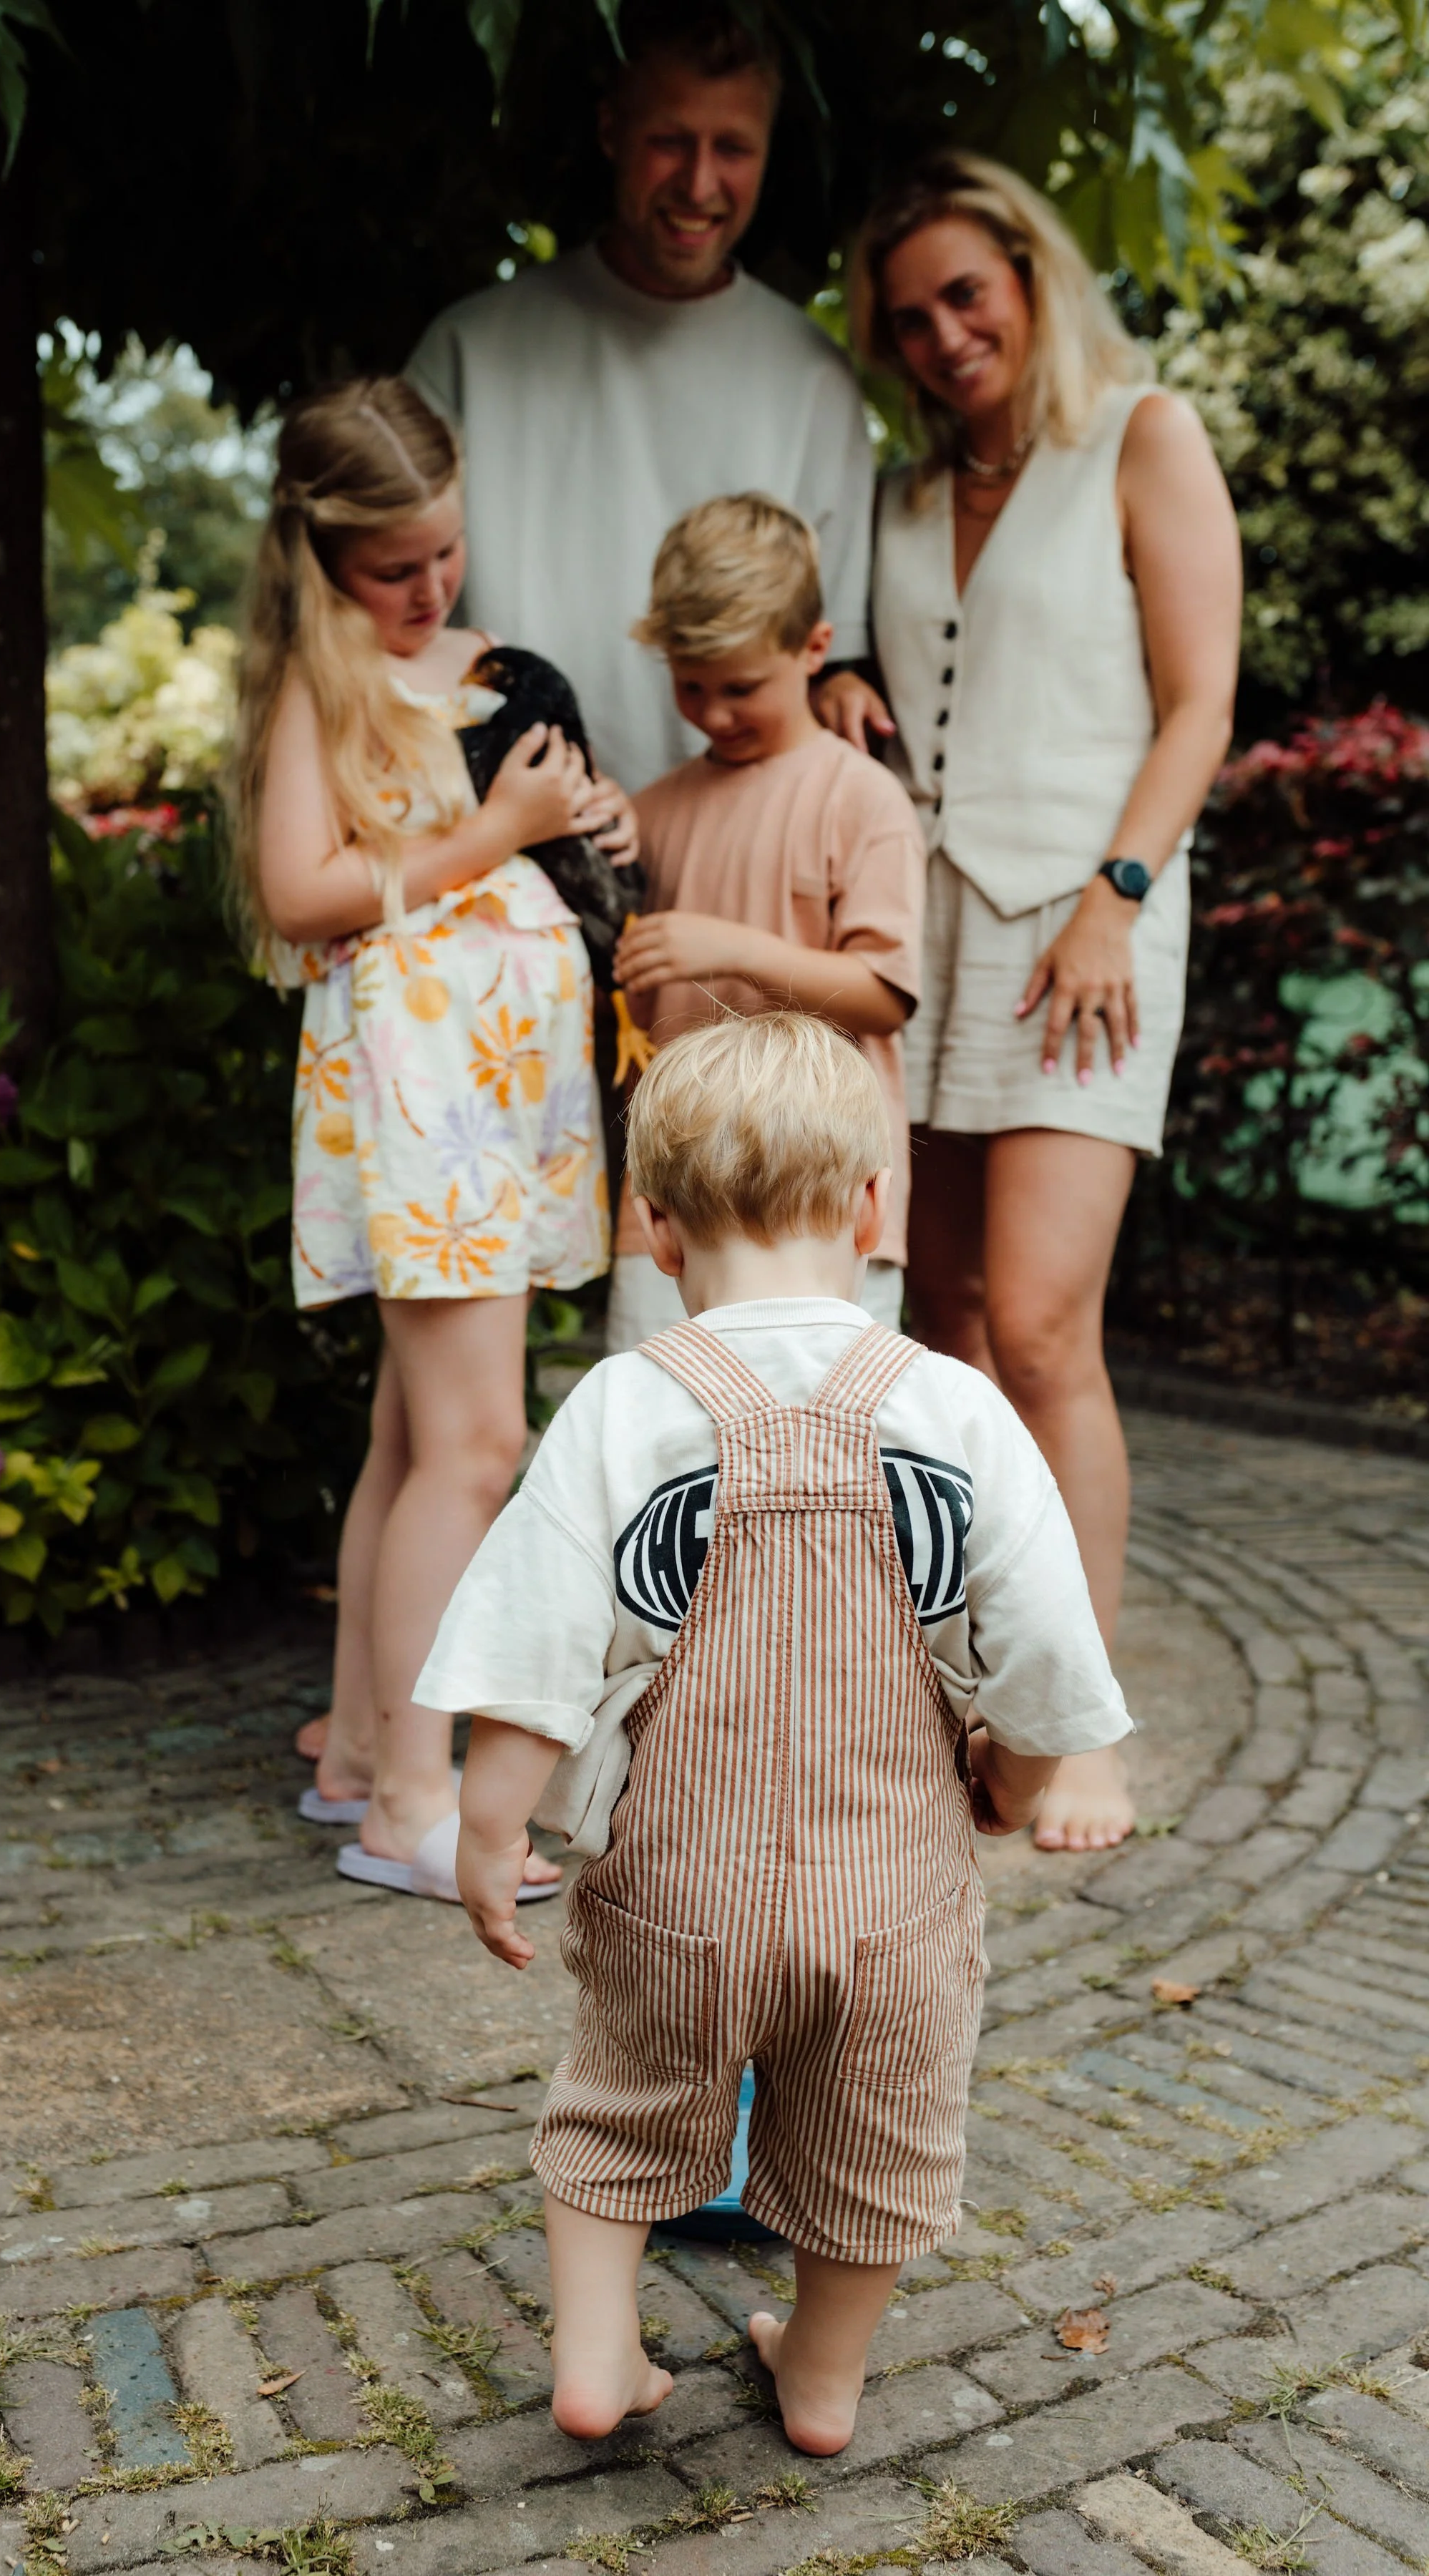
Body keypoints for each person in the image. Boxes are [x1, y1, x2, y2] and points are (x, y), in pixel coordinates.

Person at [418, 1013, 1131, 2450]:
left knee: (618, 2115)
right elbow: (1048, 1645)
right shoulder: (956, 1408)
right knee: (880, 2146)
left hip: (681, 1887)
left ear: (654, 1227)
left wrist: (488, 1825)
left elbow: (538, 1640)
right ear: (874, 1208)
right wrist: (1015, 1773)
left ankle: (601, 2358)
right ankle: (819, 2375)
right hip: (894, 1900)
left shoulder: (626, 1404)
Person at [852, 152, 1242, 1855]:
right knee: (933, 1328)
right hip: (920, 945)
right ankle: (971, 1691)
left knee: (1035, 1323)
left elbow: (1196, 701)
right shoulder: (891, 493)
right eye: (907, 317)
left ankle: (1075, 1728)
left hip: (1085, 930)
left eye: (964, 291)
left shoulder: (1138, 437)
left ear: (1026, 271)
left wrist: (1116, 898)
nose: (942, 336)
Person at [231, 376, 618, 1900]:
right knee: (479, 1442)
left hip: (501, 1082)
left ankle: (353, 1763)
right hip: (426, 1089)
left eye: (445, 555)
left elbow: (548, 838)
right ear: (319, 556)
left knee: (416, 1431)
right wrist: (494, 835)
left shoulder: (479, 669)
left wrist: (586, 823)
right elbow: (299, 893)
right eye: (394, 568)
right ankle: (413, 1800)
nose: (430, 588)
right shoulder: (318, 690)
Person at [406, 0, 875, 795]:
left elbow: (830, 666)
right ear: (610, 131)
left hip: (736, 848)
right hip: (498, 849)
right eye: (669, 142)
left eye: (733, 148)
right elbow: (369, 623)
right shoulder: (469, 351)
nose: (699, 183)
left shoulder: (812, 379)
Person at [606, 492, 925, 1349]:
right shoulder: (651, 813)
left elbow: (883, 996)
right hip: (673, 1204)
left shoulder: (861, 797)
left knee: (828, 1447)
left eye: (741, 688)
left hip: (822, 1198)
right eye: (690, 686)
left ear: (816, 648)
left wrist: (736, 952)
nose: (713, 714)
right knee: (662, 1445)